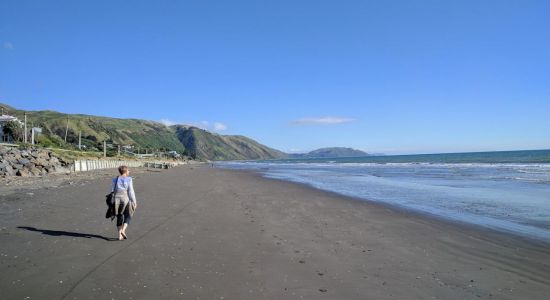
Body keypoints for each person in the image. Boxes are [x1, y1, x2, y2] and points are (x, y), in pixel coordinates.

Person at [111, 165, 137, 240]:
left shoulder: (115, 179)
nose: (129, 171)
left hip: (116, 199)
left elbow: (112, 190)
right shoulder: (129, 179)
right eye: (128, 170)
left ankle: (120, 235)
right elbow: (131, 191)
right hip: (125, 199)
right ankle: (123, 230)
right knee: (128, 215)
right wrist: (134, 201)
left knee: (119, 216)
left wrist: (112, 201)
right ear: (125, 171)